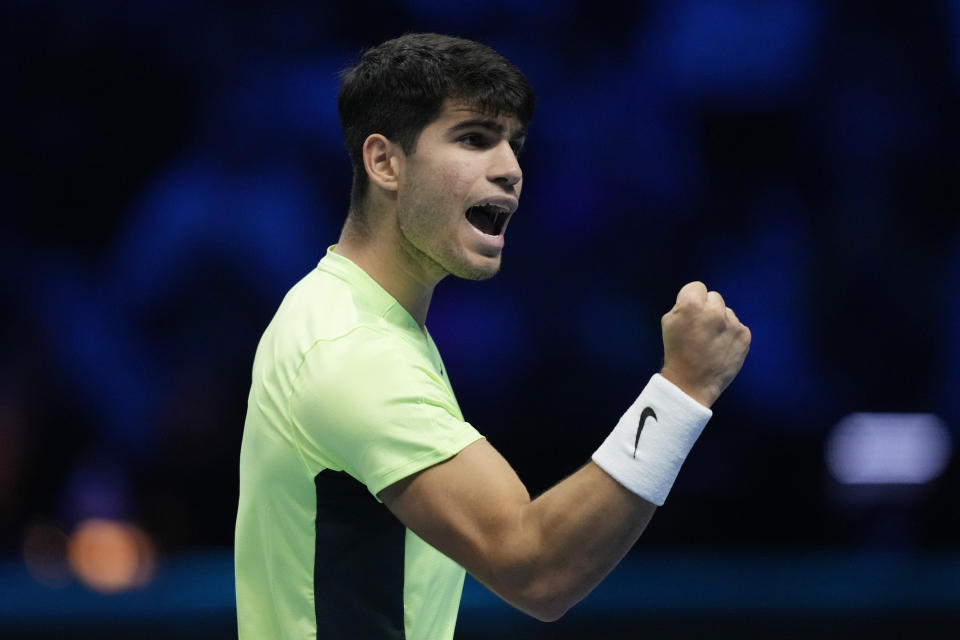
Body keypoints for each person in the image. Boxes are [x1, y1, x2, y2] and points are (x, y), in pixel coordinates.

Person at [234, 32, 750, 639]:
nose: (510, 169)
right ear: (384, 162)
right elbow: (535, 566)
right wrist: (682, 389)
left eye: (514, 144)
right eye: (474, 138)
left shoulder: (355, 318)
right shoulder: (350, 350)